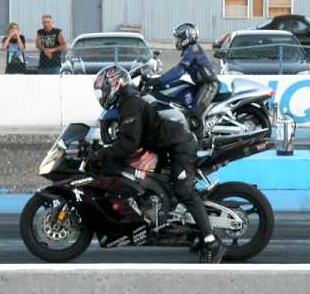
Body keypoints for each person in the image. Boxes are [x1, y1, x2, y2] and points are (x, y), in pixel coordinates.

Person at [88, 65, 226, 263]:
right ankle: (189, 231)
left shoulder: (130, 103)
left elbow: (129, 142)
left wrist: (101, 154)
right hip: (167, 146)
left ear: (115, 84)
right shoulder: (127, 101)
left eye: (103, 90)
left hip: (179, 144)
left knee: (183, 190)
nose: (102, 95)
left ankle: (211, 242)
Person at [147, 23, 219, 139]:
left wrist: (158, 81)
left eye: (179, 38)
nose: (177, 41)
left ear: (187, 37)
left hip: (209, 85)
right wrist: (158, 80)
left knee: (194, 115)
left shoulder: (193, 49)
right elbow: (178, 70)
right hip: (201, 85)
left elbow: (179, 71)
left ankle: (198, 144)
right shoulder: (190, 49)